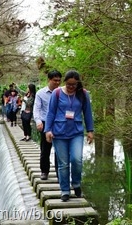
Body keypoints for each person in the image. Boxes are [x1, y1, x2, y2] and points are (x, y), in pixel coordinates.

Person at [45, 70, 94, 202]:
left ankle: (76, 183)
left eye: (74, 84)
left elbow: (88, 113)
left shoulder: (83, 94)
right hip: (59, 132)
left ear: (78, 83)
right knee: (63, 164)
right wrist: (47, 130)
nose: (71, 86)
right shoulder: (57, 93)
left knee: (77, 159)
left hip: (76, 132)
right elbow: (50, 113)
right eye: (68, 84)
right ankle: (65, 190)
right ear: (64, 82)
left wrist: (90, 130)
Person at [33, 70, 62, 180]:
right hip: (45, 123)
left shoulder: (62, 93)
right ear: (49, 80)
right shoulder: (41, 93)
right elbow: (37, 109)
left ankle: (60, 174)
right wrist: (38, 121)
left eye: (59, 80)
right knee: (45, 149)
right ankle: (44, 171)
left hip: (59, 123)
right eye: (55, 80)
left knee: (60, 150)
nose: (57, 83)